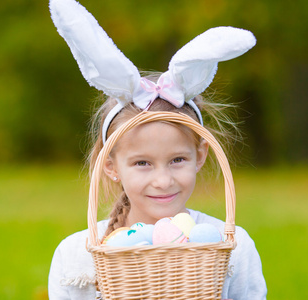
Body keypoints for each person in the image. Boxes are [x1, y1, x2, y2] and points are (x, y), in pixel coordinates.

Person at [48, 0, 267, 299]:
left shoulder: (227, 246)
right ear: (110, 165)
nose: (163, 180)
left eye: (177, 159)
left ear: (200, 155)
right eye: (142, 163)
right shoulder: (80, 254)